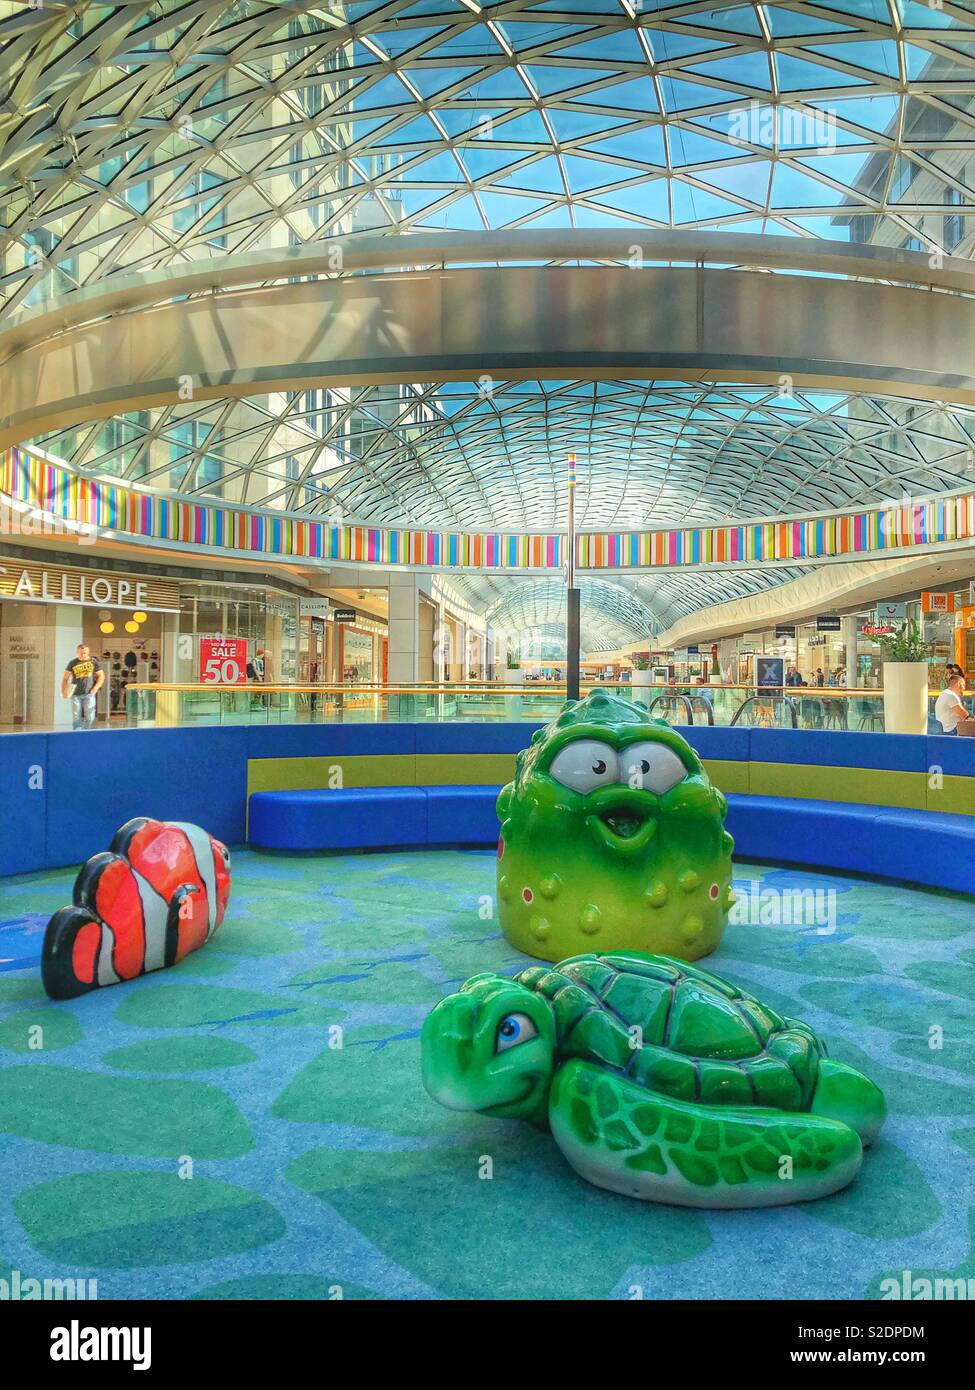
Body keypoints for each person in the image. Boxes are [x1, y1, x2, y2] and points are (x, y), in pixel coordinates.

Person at [61, 643, 105, 730]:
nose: (83, 655)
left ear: (88, 652)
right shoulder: (73, 663)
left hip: (89, 693)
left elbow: (102, 676)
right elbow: (65, 678)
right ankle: (77, 733)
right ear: (77, 652)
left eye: (85, 653)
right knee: (76, 716)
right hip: (75, 693)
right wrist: (64, 691)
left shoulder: (93, 662)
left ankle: (85, 731)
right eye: (80, 653)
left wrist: (96, 688)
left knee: (90, 716)